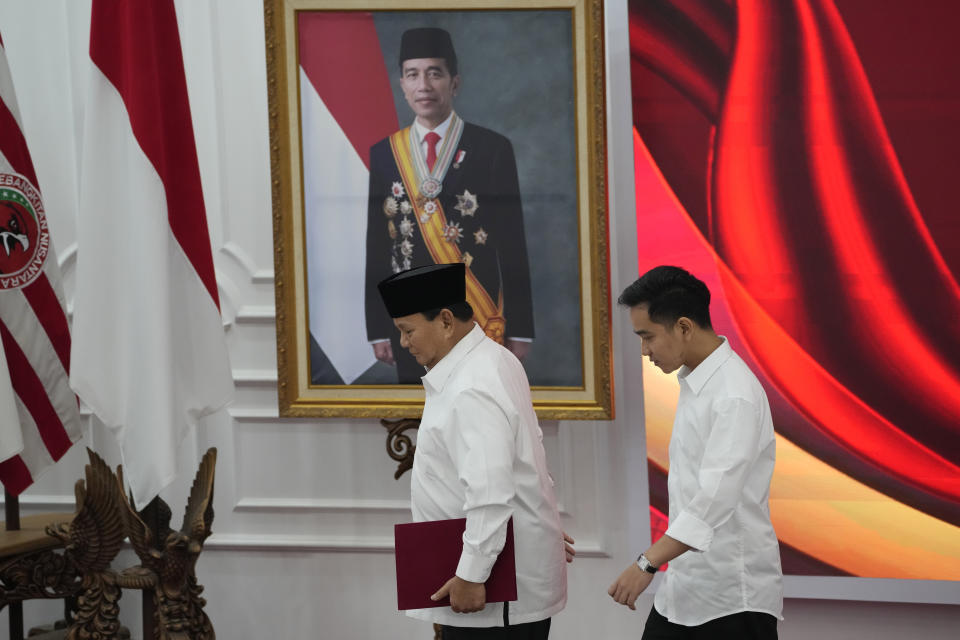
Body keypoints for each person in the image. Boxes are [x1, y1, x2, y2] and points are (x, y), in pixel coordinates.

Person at [377, 263, 571, 639]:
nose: (403, 343)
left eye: (407, 330)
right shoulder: (491, 359)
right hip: (497, 565)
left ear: (446, 321)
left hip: (495, 592)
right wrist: (537, 526)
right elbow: (525, 461)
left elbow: (491, 491)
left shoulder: (472, 384)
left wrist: (471, 574)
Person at [608, 265, 783, 639]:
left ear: (684, 327)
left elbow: (713, 502)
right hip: (684, 590)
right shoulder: (699, 380)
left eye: (647, 337)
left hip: (732, 601)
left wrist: (645, 563)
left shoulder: (734, 394)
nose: (644, 351)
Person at [365, 27, 535, 384]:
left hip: (475, 312)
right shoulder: (384, 154)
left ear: (454, 83)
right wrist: (378, 328)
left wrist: (521, 328)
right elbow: (377, 245)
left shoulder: (491, 148)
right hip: (409, 318)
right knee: (422, 423)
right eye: (413, 74)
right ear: (402, 85)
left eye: (434, 73)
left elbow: (512, 241)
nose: (424, 85)